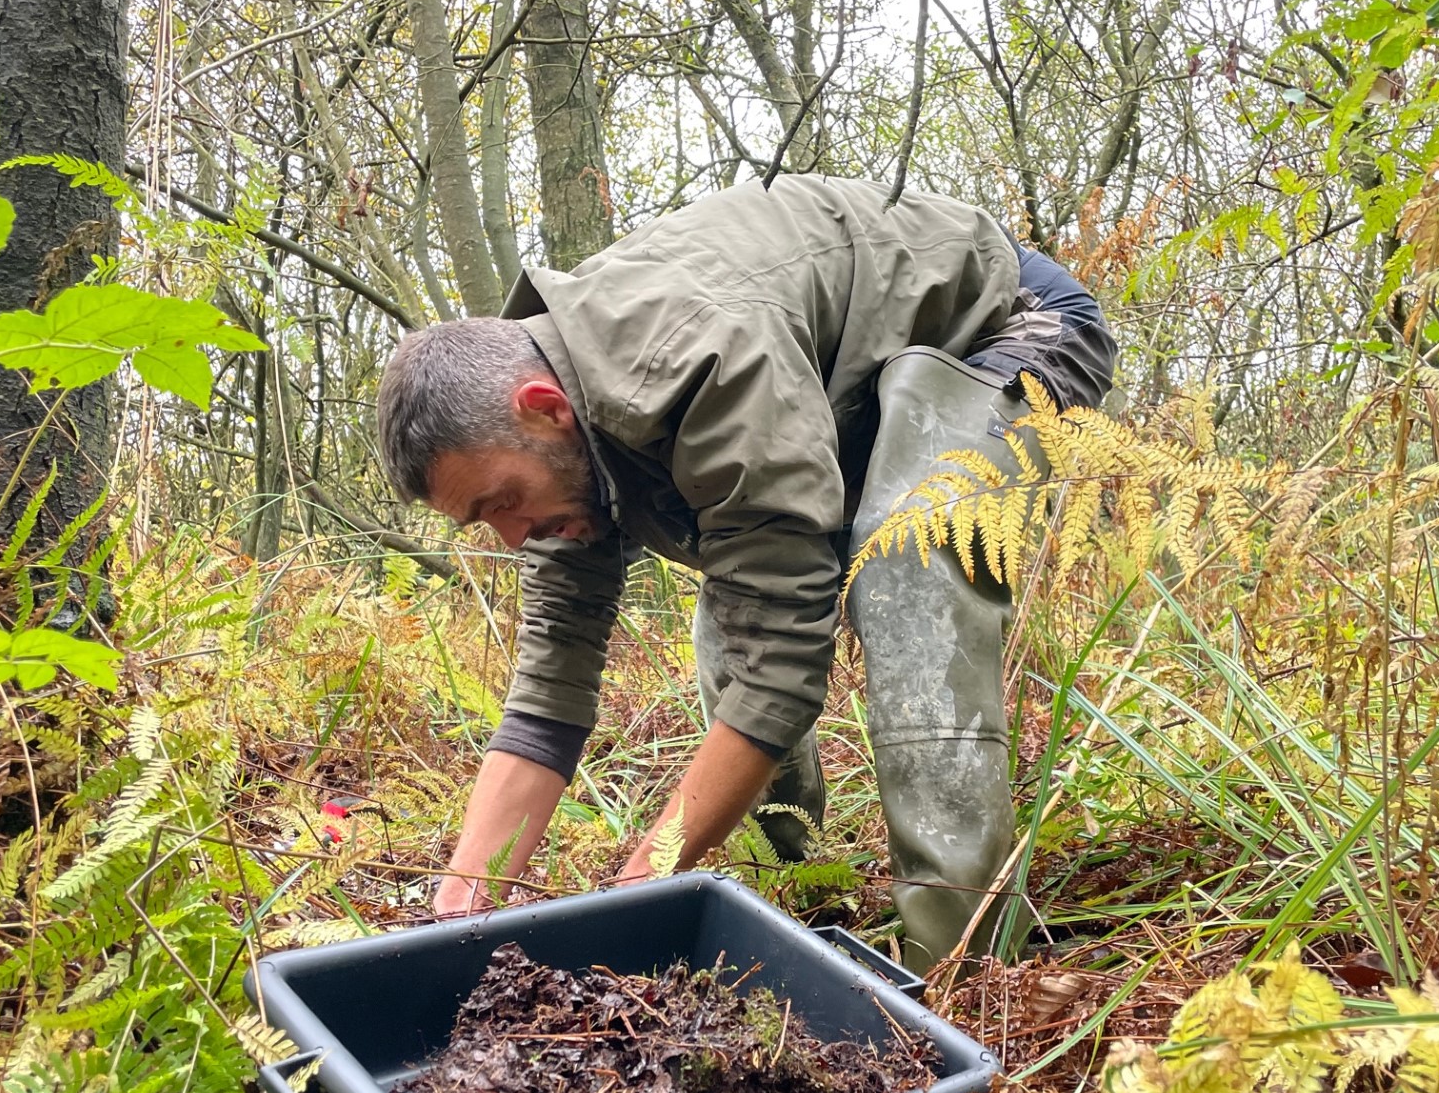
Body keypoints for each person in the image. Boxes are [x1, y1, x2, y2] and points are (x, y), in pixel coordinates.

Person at [376, 175, 1116, 971]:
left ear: (545, 407)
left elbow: (785, 663)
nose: (516, 538)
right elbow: (552, 683)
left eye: (504, 503)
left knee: (909, 555)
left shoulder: (706, 357)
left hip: (1010, 324)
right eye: (485, 521)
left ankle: (956, 958)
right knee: (734, 622)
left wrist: (635, 892)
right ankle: (804, 891)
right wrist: (459, 906)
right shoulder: (546, 442)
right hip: (854, 393)